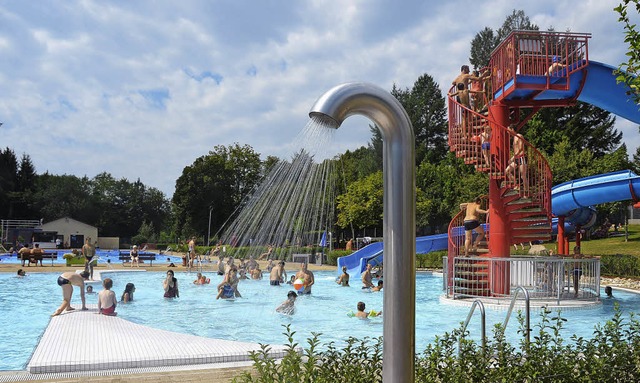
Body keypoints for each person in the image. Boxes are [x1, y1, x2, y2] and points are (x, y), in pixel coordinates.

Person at [505, 126, 528, 194]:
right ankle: (516, 185)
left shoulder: (519, 136)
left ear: (512, 129)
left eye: (508, 130)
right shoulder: (514, 138)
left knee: (523, 176)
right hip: (517, 158)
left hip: (521, 157)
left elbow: (521, 147)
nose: (507, 132)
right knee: (507, 170)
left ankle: (526, 192)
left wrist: (513, 157)